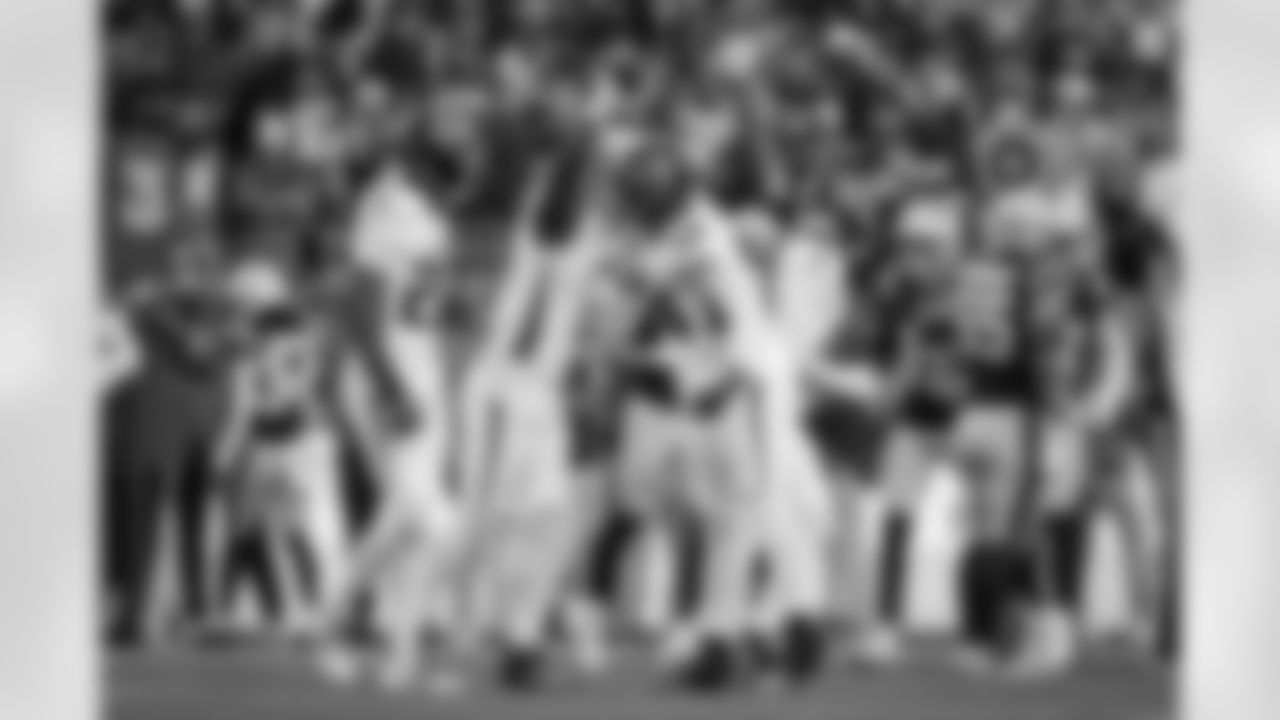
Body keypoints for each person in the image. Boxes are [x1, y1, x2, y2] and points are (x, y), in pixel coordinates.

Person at [313, 160, 463, 690]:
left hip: (420, 373)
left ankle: (374, 638)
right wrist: (392, 386)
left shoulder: (435, 206)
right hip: (389, 379)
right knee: (435, 521)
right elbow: (357, 306)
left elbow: (421, 302)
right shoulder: (389, 202)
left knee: (405, 520)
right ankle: (363, 632)